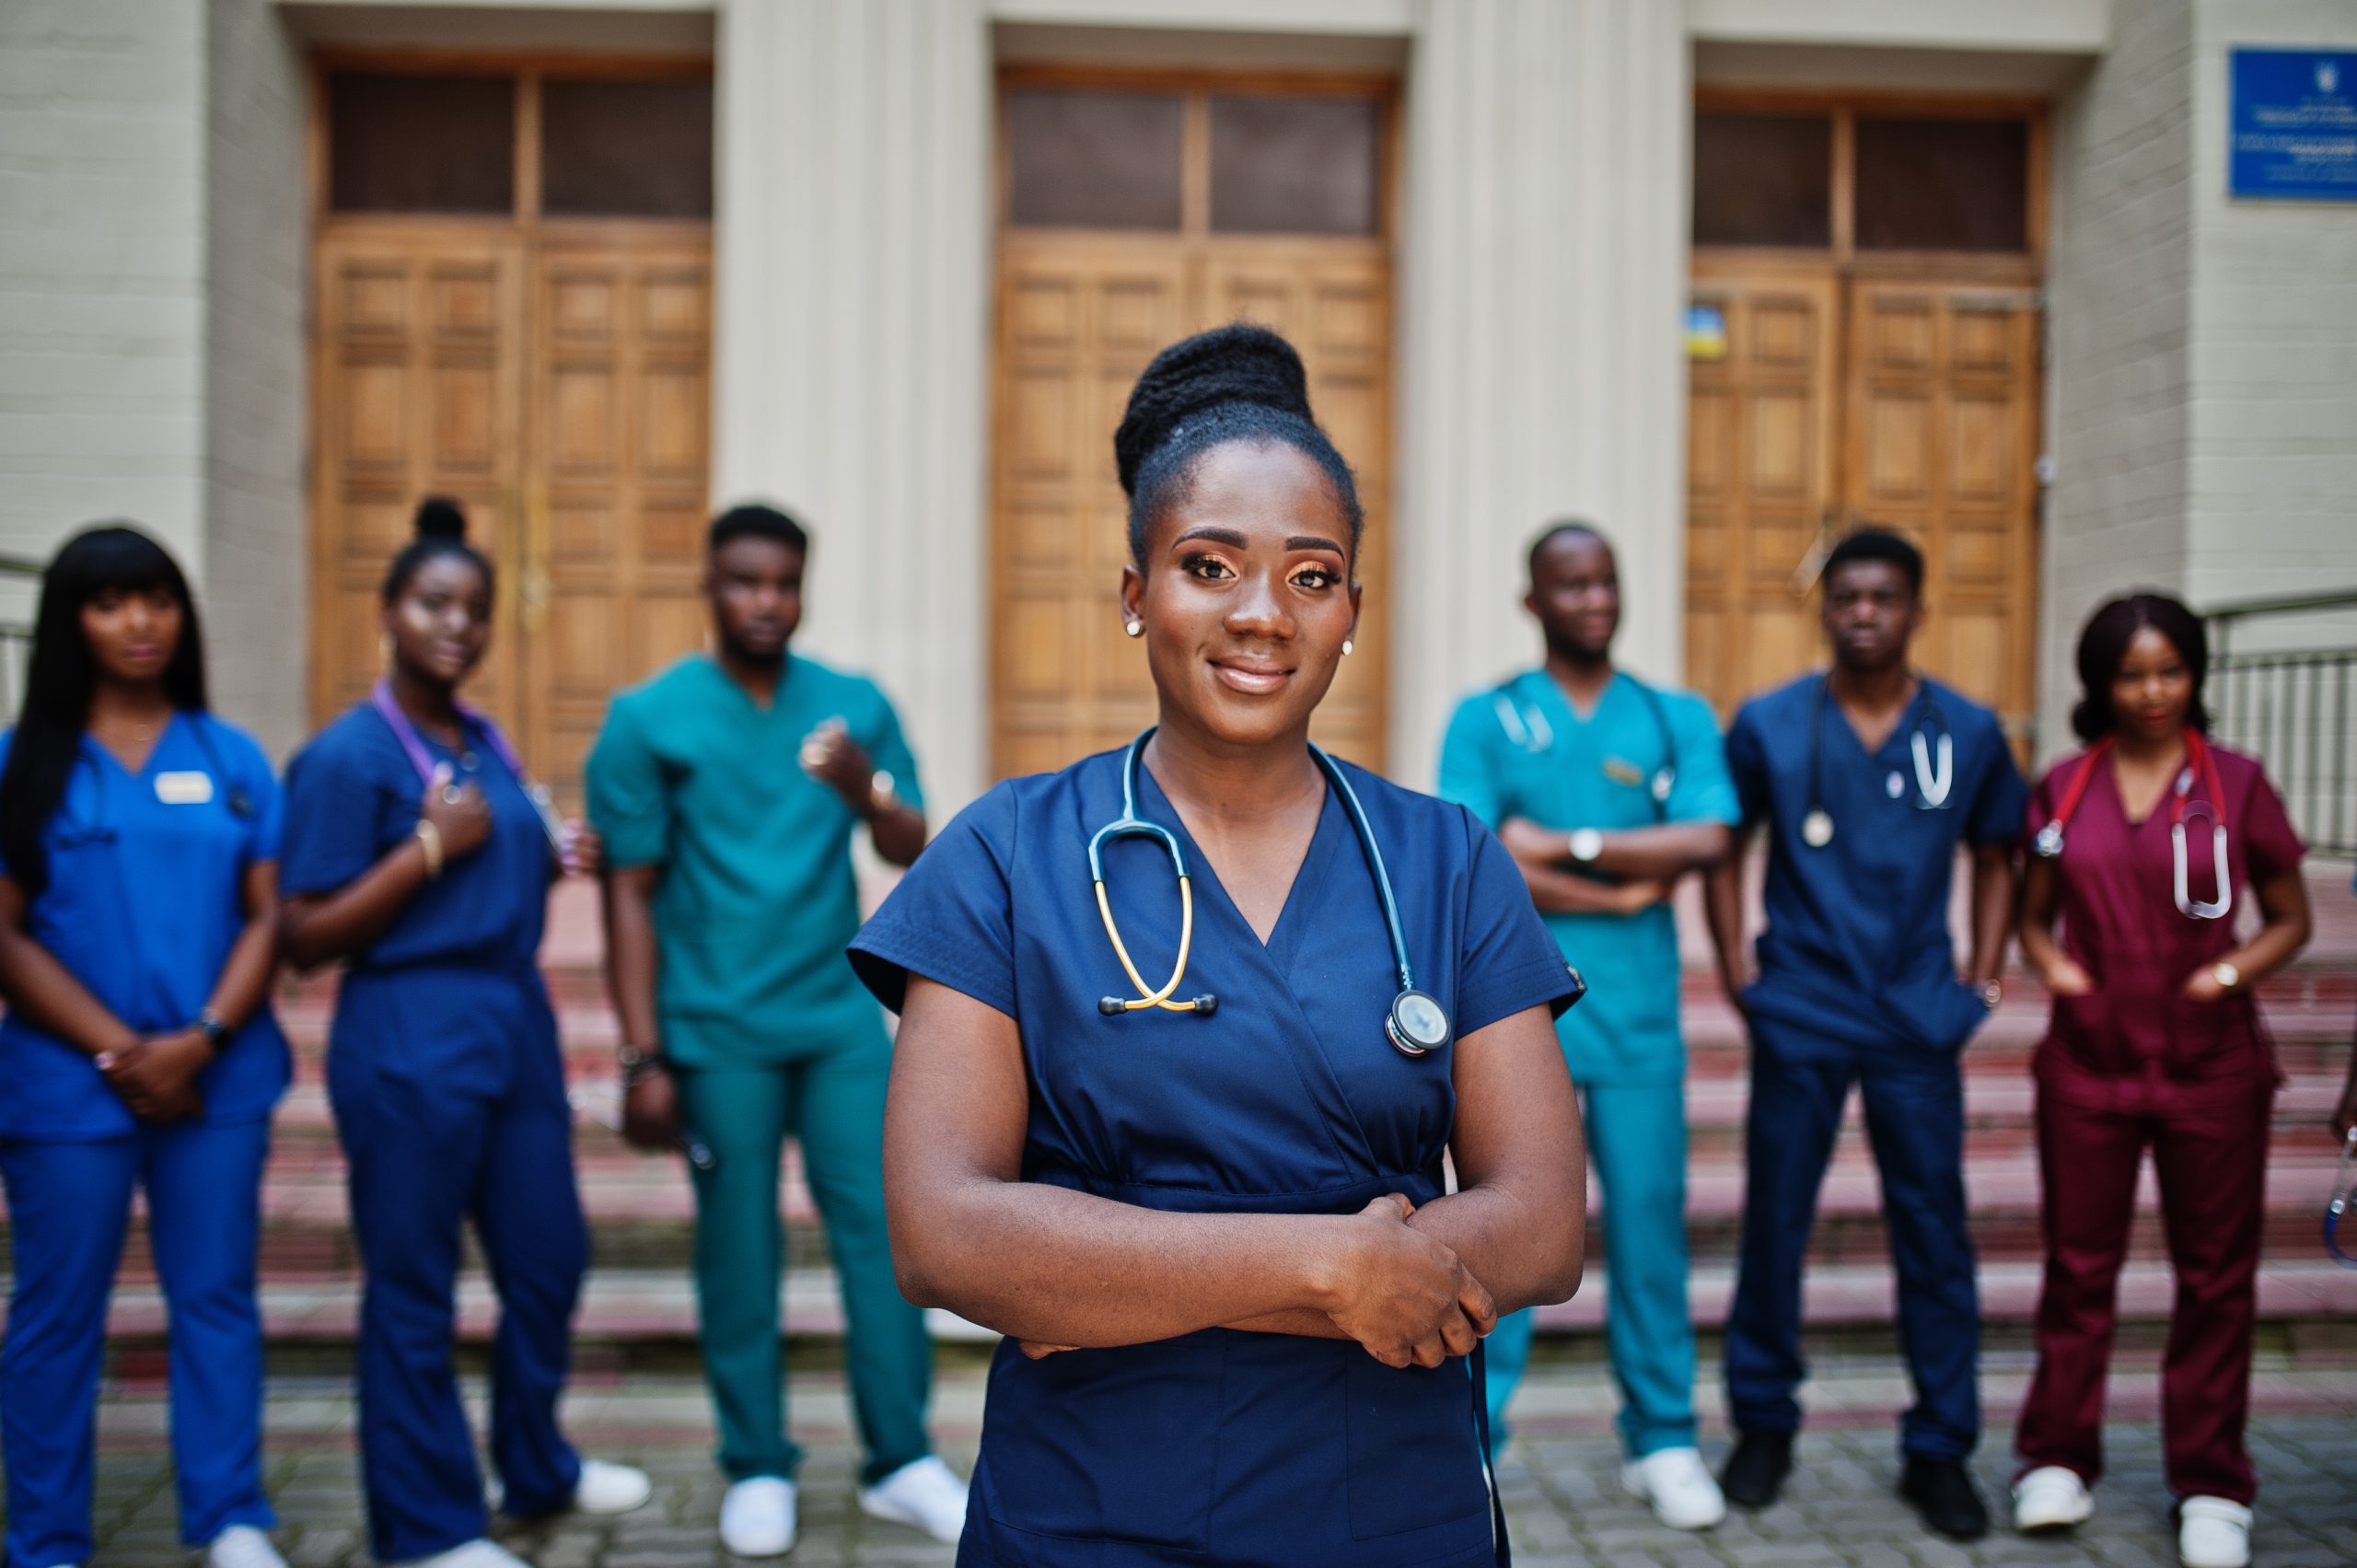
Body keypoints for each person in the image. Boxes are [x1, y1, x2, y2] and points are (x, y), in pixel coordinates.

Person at [847, 324, 1588, 1568]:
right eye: (1208, 565)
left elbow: (1543, 1226)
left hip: (1388, 1507)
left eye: (1312, 574)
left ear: (1352, 607)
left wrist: (1098, 1269)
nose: (1262, 613)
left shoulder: (1447, 860)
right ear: (1136, 594)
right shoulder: (1006, 854)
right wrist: (1337, 1266)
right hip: (1090, 1514)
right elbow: (944, 1234)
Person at [585, 502, 966, 1557]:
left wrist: (866, 786)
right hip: (715, 1028)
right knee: (737, 1247)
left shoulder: (850, 708)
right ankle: (756, 1462)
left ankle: (902, 1458)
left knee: (890, 1236)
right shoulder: (651, 716)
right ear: (710, 584)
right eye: (745, 581)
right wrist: (640, 1051)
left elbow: (911, 844)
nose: (766, 601)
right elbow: (628, 889)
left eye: (784, 582)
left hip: (837, 1017)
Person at [277, 500, 649, 1568]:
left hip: (511, 1024)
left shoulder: (480, 735)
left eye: (475, 609)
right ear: (389, 612)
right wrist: (426, 853)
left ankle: (534, 1465)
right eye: (436, 603)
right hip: (407, 1029)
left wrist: (544, 846)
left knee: (548, 1259)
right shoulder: (348, 758)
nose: (458, 625)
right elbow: (304, 934)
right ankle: (428, 1526)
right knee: (413, 1285)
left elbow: (493, 845)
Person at [1703, 528, 2025, 1540]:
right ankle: (1763, 1423)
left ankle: (1940, 1446)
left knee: (1933, 1228)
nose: (1863, 613)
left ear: (1917, 611)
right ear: (1825, 608)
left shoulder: (1966, 731)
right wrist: (1737, 970)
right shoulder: (1769, 722)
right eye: (1846, 596)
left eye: (1884, 597)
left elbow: (1999, 850)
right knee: (1776, 1223)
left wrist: (1977, 976)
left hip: (1913, 1011)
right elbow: (1724, 843)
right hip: (1800, 1001)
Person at [1436, 520, 1736, 1528]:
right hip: (1514, 1015)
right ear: (1534, 601)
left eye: (1606, 581)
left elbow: (1705, 834)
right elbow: (1475, 851)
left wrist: (1564, 845)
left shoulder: (1671, 715)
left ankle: (1661, 1436)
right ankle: (1472, 1441)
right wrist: (1615, 884)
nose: (1593, 599)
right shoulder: (1485, 718)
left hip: (1638, 1018)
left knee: (1649, 1225)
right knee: (1504, 1228)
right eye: (1570, 584)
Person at [0, 526, 290, 1568]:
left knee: (214, 1296)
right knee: (55, 1314)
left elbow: (267, 917)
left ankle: (230, 1516)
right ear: (70, 619)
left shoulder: (230, 757)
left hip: (216, 1079)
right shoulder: (21, 761)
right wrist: (128, 1049)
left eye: (158, 599)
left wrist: (201, 1038)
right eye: (110, 601)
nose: (139, 623)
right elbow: (4, 931)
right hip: (66, 1089)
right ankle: (43, 1539)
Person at [2009, 594, 2311, 1568]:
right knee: (2078, 1268)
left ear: (2195, 675)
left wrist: (2227, 971)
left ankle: (2212, 1481)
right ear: (2098, 683)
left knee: (2215, 1277)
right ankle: (2056, 1457)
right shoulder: (2062, 785)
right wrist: (2053, 968)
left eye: (2169, 671)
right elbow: (2032, 911)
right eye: (2130, 674)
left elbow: (2288, 916)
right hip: (2089, 1064)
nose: (2150, 691)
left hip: (2209, 1066)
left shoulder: (2235, 783)